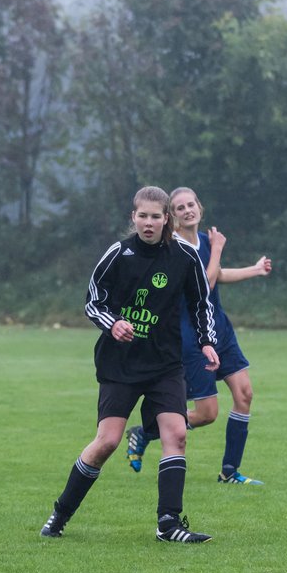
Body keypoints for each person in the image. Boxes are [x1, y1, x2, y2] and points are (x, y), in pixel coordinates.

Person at [40, 186, 220, 543]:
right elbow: (94, 301)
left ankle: (168, 524)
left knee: (177, 434)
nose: (149, 223)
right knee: (107, 441)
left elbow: (202, 303)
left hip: (165, 364)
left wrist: (206, 341)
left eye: (156, 216)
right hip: (120, 365)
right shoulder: (118, 254)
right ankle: (60, 513)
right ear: (133, 218)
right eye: (143, 216)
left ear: (166, 219)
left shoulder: (184, 256)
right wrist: (114, 323)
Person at [124, 187, 272, 485]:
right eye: (179, 208)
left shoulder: (203, 240)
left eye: (191, 204)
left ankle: (229, 472)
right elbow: (205, 281)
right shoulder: (176, 248)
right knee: (206, 414)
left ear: (200, 207)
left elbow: (219, 275)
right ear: (172, 218)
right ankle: (145, 432)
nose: (187, 210)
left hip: (220, 327)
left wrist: (254, 270)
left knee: (244, 394)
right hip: (192, 335)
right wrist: (217, 250)